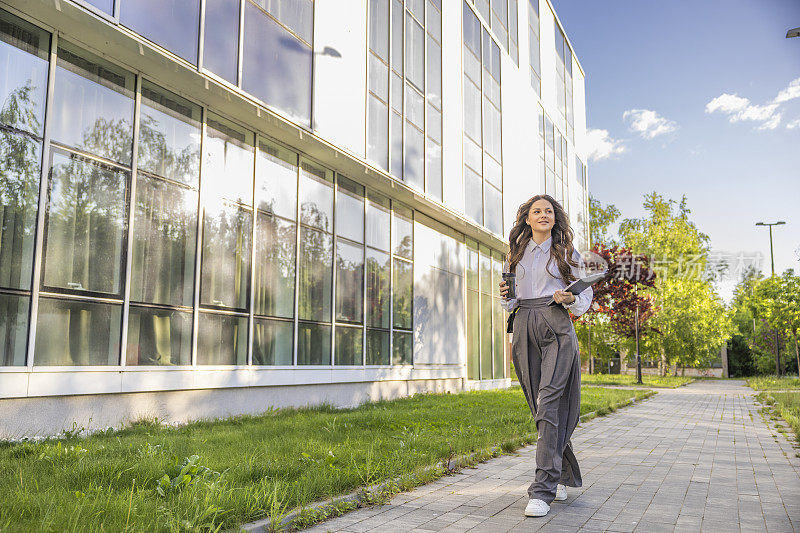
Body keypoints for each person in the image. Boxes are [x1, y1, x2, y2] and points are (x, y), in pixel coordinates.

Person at [498, 194, 593, 518]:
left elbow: (585, 294)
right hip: (523, 324)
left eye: (548, 211)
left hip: (556, 325)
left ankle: (542, 488)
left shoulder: (566, 251)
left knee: (549, 404)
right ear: (527, 218)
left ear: (555, 218)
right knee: (539, 408)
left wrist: (569, 297)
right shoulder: (514, 255)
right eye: (536, 211)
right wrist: (505, 297)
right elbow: (509, 302)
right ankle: (562, 474)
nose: (542, 215)